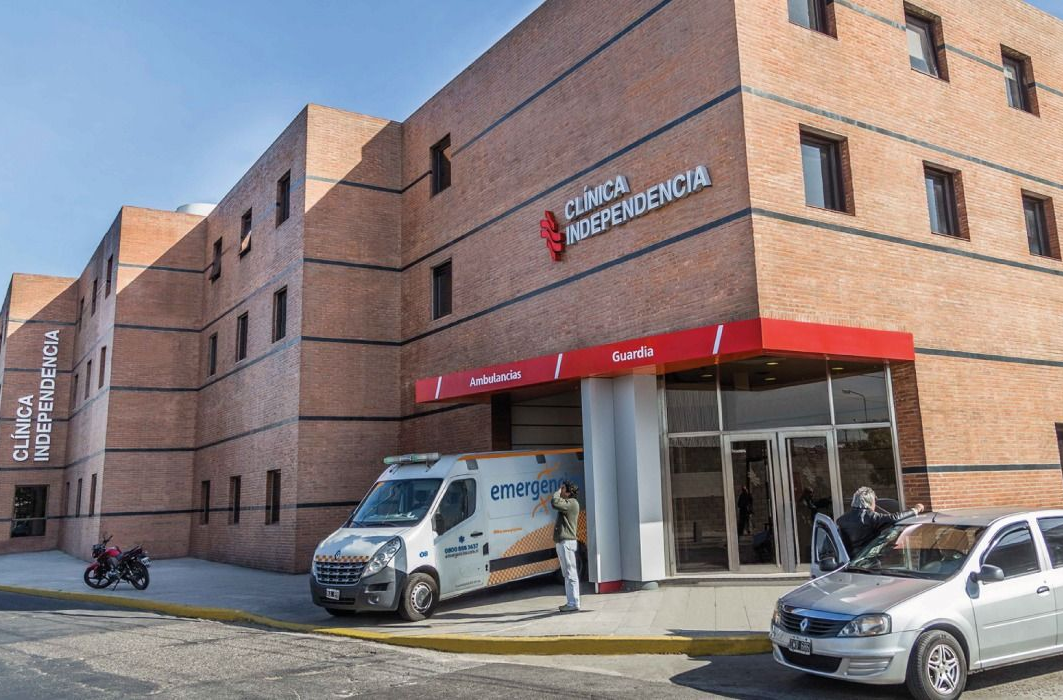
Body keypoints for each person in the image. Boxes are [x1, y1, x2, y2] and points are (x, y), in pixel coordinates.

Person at [837, 486, 924, 555]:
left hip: (848, 560)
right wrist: (916, 509)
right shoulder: (870, 516)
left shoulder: (842, 519)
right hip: (867, 559)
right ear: (869, 501)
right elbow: (894, 518)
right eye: (874, 501)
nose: (875, 505)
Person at [551, 480, 581, 613]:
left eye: (562, 488)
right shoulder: (568, 503)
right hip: (563, 542)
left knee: (570, 573)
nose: (560, 490)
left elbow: (555, 502)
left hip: (567, 542)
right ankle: (571, 602)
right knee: (567, 574)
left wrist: (557, 493)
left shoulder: (572, 503)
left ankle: (574, 602)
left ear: (568, 492)